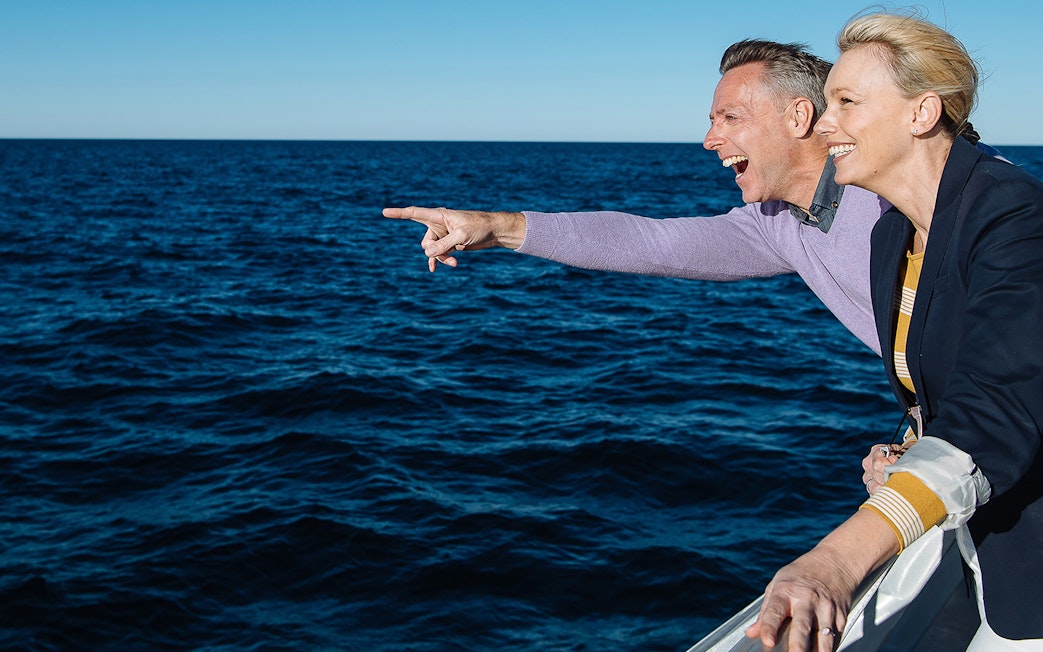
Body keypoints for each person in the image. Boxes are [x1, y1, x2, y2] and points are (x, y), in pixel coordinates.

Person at [384, 41, 1002, 358]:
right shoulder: (776, 223)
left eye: (730, 117)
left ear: (798, 116)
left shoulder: (908, 191)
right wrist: (496, 228)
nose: (710, 140)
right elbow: (651, 242)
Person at [747, 12, 1043, 651]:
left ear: (922, 113)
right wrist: (914, 441)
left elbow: (999, 407)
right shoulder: (893, 236)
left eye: (847, 102)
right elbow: (950, 382)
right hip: (988, 546)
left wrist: (835, 561)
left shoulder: (1015, 216)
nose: (824, 124)